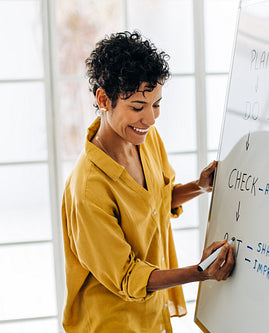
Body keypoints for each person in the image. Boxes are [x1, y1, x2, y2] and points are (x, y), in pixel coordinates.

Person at [61, 31, 235, 333]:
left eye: (156, 104)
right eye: (138, 107)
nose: (151, 118)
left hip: (150, 314)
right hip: (110, 323)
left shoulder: (145, 137)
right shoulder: (89, 188)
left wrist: (199, 186)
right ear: (104, 99)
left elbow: (157, 201)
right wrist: (201, 272)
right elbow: (128, 276)